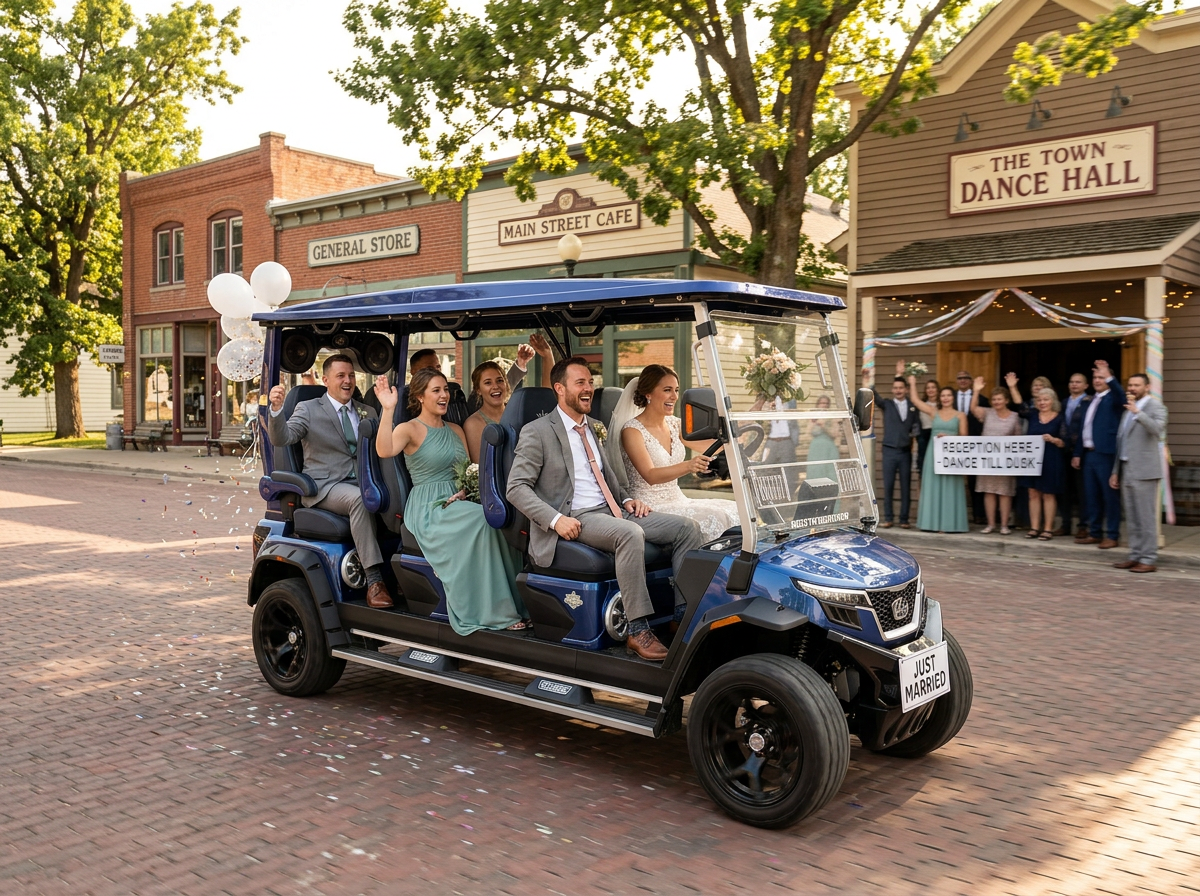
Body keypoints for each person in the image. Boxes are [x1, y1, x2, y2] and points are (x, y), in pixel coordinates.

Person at [506, 357, 705, 662]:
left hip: (613, 509)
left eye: (590, 381)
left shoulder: (595, 428)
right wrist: (556, 520)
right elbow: (516, 488)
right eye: (580, 383)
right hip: (578, 516)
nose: (589, 388)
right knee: (630, 533)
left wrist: (627, 500)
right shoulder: (538, 432)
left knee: (686, 528)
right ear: (560, 389)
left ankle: (682, 616)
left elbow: (608, 479)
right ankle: (638, 631)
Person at [373, 368, 529, 634]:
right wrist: (388, 409)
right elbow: (384, 450)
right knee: (483, 522)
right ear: (420, 396)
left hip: (459, 501)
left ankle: (517, 603)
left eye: (445, 389)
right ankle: (493, 612)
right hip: (429, 507)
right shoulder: (409, 428)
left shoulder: (456, 429)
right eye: (436, 391)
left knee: (502, 520)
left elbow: (470, 471)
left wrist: (466, 492)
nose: (444, 395)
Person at [268, 354, 392, 609]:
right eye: (341, 376)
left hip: (365, 481)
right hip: (325, 487)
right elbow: (283, 438)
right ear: (325, 380)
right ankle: (375, 581)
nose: (348, 381)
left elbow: (383, 448)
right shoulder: (308, 408)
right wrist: (277, 410)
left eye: (351, 375)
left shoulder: (366, 410)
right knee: (361, 500)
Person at [607, 364, 738, 541]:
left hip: (678, 499)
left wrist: (736, 438)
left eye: (676, 390)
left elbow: (713, 446)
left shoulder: (675, 424)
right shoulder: (632, 430)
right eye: (667, 390)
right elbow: (650, 475)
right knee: (715, 516)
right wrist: (689, 465)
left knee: (736, 509)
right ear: (648, 393)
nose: (674, 396)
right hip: (649, 505)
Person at [1111, 373, 1168, 573]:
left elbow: (1158, 429)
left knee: (1146, 517)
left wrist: (1138, 412)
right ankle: (1135, 555)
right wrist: (1116, 471)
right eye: (1130, 385)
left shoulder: (1155, 406)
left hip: (1145, 471)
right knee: (1133, 517)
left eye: (1137, 385)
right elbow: (1122, 442)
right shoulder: (1128, 409)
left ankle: (1149, 558)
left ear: (1147, 386)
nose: (1133, 388)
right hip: (1127, 468)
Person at [1073, 360, 1125, 549]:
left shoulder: (1114, 398)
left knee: (1109, 496)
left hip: (1106, 454)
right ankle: (1094, 532)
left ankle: (1112, 534)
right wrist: (1078, 452)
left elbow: (1122, 396)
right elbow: (1082, 429)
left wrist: (1110, 377)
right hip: (1089, 454)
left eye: (1101, 377)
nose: (1097, 380)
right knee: (1091, 495)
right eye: (1095, 377)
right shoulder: (1088, 400)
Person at [907, 377, 968, 533]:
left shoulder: (960, 415)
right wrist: (913, 382)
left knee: (950, 487)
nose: (945, 398)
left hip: (952, 456)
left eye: (948, 395)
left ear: (953, 398)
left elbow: (965, 437)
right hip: (933, 454)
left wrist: (950, 438)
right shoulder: (934, 412)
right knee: (932, 487)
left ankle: (949, 524)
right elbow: (915, 400)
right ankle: (931, 523)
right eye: (943, 396)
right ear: (940, 398)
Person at [867, 361, 920, 529]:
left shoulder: (913, 407)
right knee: (888, 486)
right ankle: (888, 518)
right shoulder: (887, 404)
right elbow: (873, 393)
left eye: (901, 388)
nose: (898, 390)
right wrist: (869, 378)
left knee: (906, 486)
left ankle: (904, 519)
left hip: (905, 452)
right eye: (895, 387)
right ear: (892, 389)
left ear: (905, 389)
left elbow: (916, 428)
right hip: (889, 451)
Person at [971, 376, 1022, 534]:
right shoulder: (987, 413)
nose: (996, 402)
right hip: (987, 461)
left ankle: (1004, 525)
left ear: (1006, 400)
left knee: (1005, 493)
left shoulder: (1014, 416)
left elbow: (1019, 438)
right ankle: (991, 524)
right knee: (989, 492)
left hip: (1006, 461)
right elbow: (973, 409)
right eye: (994, 399)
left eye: (999, 399)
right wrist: (976, 391)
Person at [1019, 388, 1067, 540]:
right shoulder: (1033, 415)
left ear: (1053, 401)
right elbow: (1019, 407)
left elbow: (1065, 442)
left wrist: (1053, 439)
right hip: (1032, 460)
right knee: (1033, 493)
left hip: (1051, 458)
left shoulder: (1060, 418)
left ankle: (1048, 529)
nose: (1042, 402)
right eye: (1039, 400)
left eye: (1046, 399)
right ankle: (1034, 527)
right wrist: (1013, 387)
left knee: (1048, 493)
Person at [1059, 372, 1091, 537]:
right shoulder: (1064, 402)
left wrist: (1078, 452)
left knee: (1082, 490)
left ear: (1086, 385)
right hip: (1064, 450)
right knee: (1065, 490)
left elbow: (1085, 429)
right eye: (1072, 382)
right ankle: (1065, 524)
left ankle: (1083, 525)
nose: (1074, 384)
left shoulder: (1089, 403)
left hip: (1082, 452)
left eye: (1078, 382)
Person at [954, 369, 986, 524]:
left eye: (966, 378)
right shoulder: (948, 398)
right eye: (960, 378)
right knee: (953, 481)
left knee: (975, 481)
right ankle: (956, 516)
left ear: (971, 380)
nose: (963, 380)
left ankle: (979, 515)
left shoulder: (983, 400)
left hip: (974, 445)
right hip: (952, 447)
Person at [462, 360, 510, 463]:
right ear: (478, 390)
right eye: (488, 383)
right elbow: (481, 467)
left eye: (499, 380)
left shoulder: (517, 413)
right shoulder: (473, 424)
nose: (496, 386)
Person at [805, 394, 843, 485]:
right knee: (815, 472)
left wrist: (824, 426)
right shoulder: (814, 417)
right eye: (822, 403)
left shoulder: (832, 417)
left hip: (828, 447)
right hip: (816, 448)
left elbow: (835, 434)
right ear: (817, 404)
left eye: (826, 403)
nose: (824, 405)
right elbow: (808, 432)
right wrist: (815, 423)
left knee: (829, 473)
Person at [916, 379, 940, 468]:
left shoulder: (942, 405)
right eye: (928, 388)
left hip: (939, 436)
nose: (930, 390)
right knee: (924, 464)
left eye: (933, 387)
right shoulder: (921, 404)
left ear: (937, 389)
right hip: (924, 437)